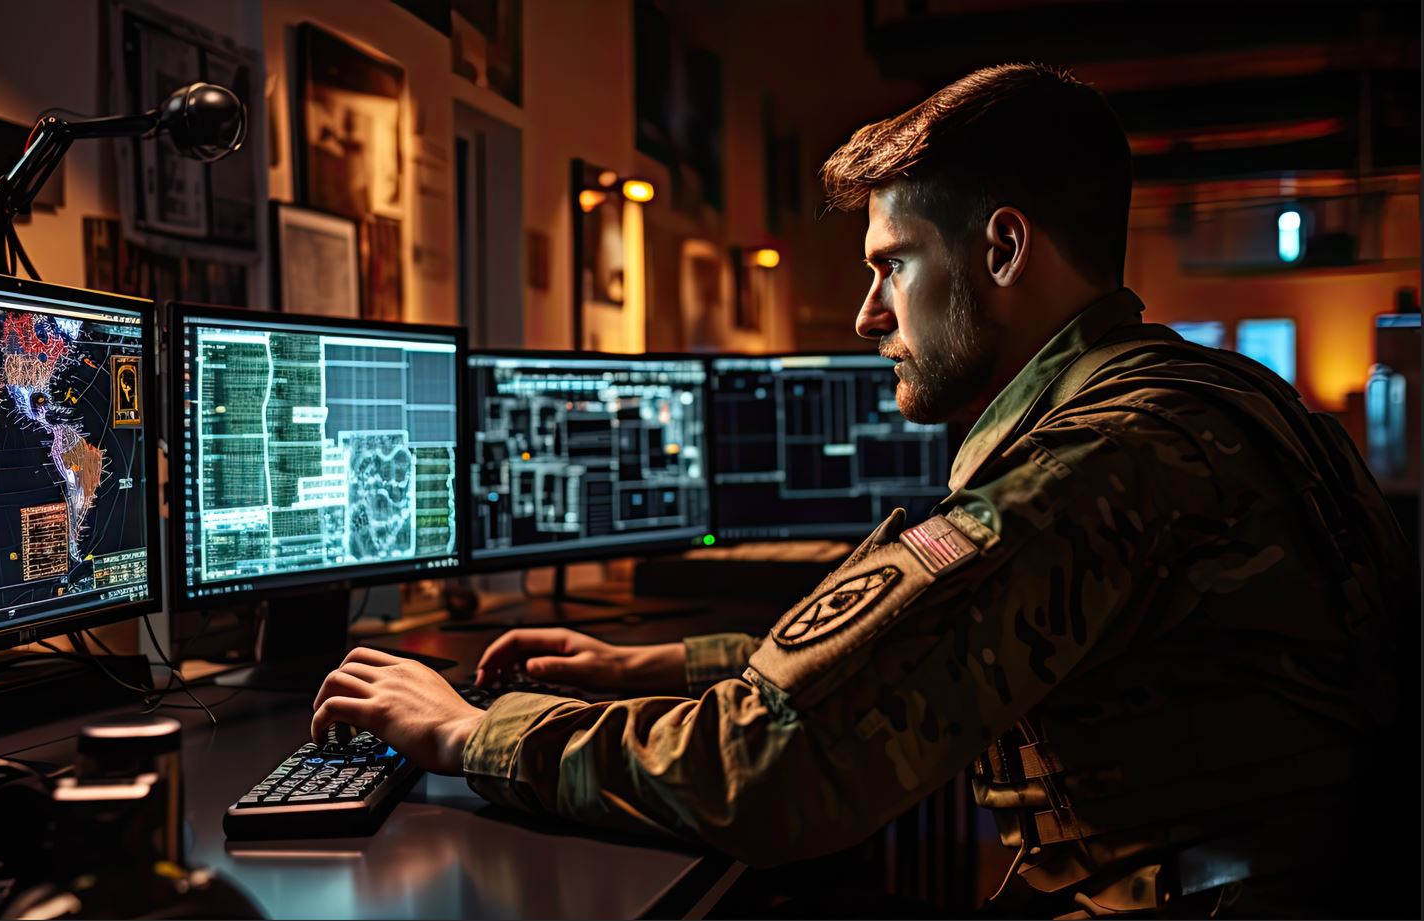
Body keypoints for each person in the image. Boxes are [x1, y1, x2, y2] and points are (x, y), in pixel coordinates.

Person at [310, 64, 1416, 917]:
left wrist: (467, 732)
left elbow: (763, 773)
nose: (866, 317)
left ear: (999, 250)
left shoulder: (1089, 463)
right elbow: (915, 656)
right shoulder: (1215, 396)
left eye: (890, 264)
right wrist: (647, 664)